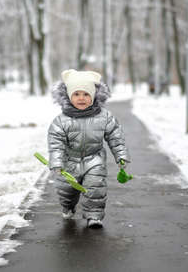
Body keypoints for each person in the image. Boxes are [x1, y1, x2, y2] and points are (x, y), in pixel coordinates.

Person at [47, 69, 130, 229]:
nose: (81, 98)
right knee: (66, 191)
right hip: (69, 160)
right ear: (69, 97)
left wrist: (121, 155)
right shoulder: (61, 121)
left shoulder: (104, 117)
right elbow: (55, 143)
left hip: (95, 159)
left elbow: (115, 137)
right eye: (76, 94)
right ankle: (68, 206)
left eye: (86, 94)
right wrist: (57, 162)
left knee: (95, 187)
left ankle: (94, 216)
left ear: (93, 96)